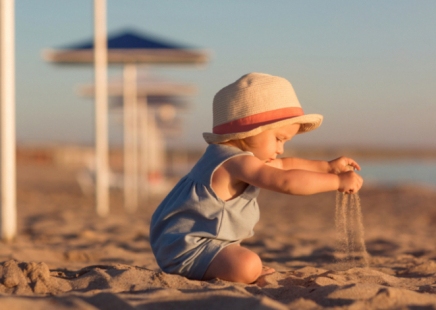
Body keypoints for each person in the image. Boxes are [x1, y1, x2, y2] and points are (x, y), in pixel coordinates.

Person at [149, 73, 363, 284]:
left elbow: (285, 165)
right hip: (191, 249)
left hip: (188, 242)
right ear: (250, 131)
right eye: (279, 139)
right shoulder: (235, 162)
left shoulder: (226, 155)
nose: (280, 149)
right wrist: (337, 182)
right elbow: (285, 181)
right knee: (248, 265)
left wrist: (326, 167)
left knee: (245, 260)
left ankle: (228, 262)